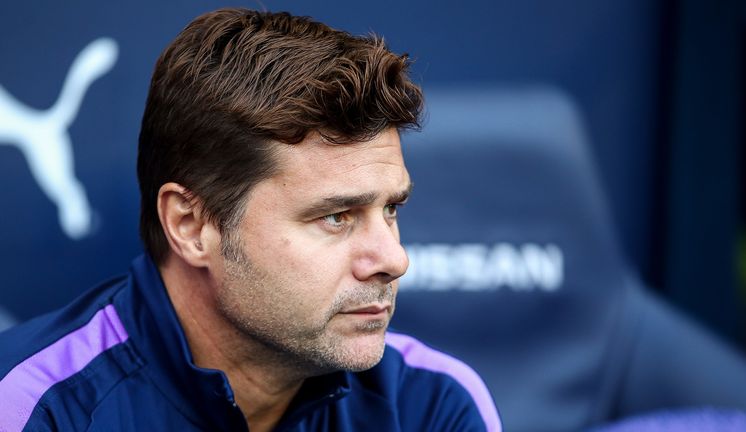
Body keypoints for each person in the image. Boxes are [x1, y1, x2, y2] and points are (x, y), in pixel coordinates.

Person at [0, 8, 501, 432]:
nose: (394, 259)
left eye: (390, 208)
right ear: (192, 226)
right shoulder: (33, 408)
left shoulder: (433, 405)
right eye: (335, 216)